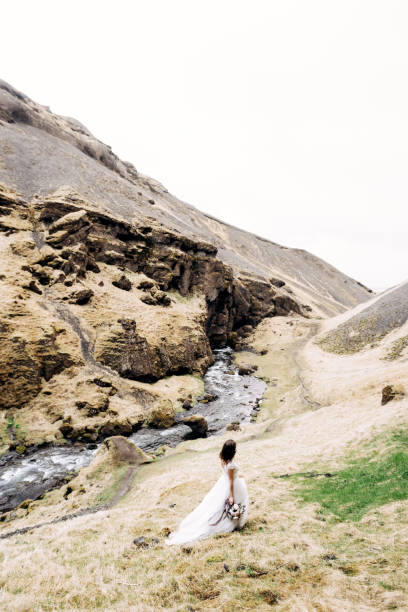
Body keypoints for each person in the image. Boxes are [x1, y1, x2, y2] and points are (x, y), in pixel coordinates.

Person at [165, 439, 249, 546]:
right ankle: (232, 523)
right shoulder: (231, 465)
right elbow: (231, 482)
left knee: (219, 506)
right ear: (233, 451)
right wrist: (232, 496)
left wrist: (238, 476)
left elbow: (228, 475)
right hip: (230, 486)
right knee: (231, 505)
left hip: (223, 483)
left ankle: (234, 521)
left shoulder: (223, 460)